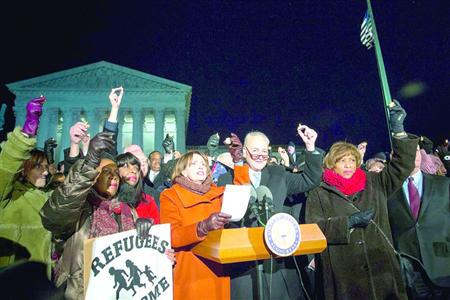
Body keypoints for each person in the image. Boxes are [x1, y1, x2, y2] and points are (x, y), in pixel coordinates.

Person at [305, 100, 418, 299]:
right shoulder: (319, 194)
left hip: (383, 276)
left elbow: (402, 165)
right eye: (342, 160)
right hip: (345, 281)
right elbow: (313, 231)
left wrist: (398, 131)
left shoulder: (375, 182)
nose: (348, 165)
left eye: (352, 160)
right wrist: (346, 224)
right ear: (332, 164)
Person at [40, 132, 159, 299]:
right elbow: (54, 214)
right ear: (92, 176)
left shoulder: (128, 210)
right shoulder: (79, 208)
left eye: (116, 173)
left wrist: (145, 235)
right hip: (79, 292)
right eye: (106, 171)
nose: (114, 176)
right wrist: (89, 161)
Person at [218, 124, 323, 300]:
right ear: (244, 151)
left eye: (265, 150)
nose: (261, 155)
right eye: (255, 150)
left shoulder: (279, 173)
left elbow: (310, 180)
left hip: (276, 262)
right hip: (243, 264)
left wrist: (310, 147)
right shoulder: (226, 179)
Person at [160, 151, 232, 300]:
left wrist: (238, 162)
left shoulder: (218, 193)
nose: (201, 167)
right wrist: (202, 227)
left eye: (203, 164)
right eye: (194, 164)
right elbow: (171, 235)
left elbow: (241, 198)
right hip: (190, 272)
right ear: (182, 170)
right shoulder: (170, 195)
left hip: (217, 269)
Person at [0, 96, 55, 278]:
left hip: (41, 287)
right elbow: (7, 166)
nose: (46, 172)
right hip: (11, 285)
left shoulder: (48, 197)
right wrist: (27, 132)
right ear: (24, 168)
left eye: (46, 167)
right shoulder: (6, 196)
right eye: (38, 167)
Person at [388, 146, 450, 299]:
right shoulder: (387, 191)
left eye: (415, 150)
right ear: (393, 157)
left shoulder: (444, 184)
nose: (410, 154)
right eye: (403, 150)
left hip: (445, 263)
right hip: (410, 272)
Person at [116, 151, 159, 223]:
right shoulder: (108, 201)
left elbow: (158, 229)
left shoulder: (148, 200)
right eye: (126, 166)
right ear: (116, 171)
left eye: (136, 167)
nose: (133, 171)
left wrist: (149, 224)